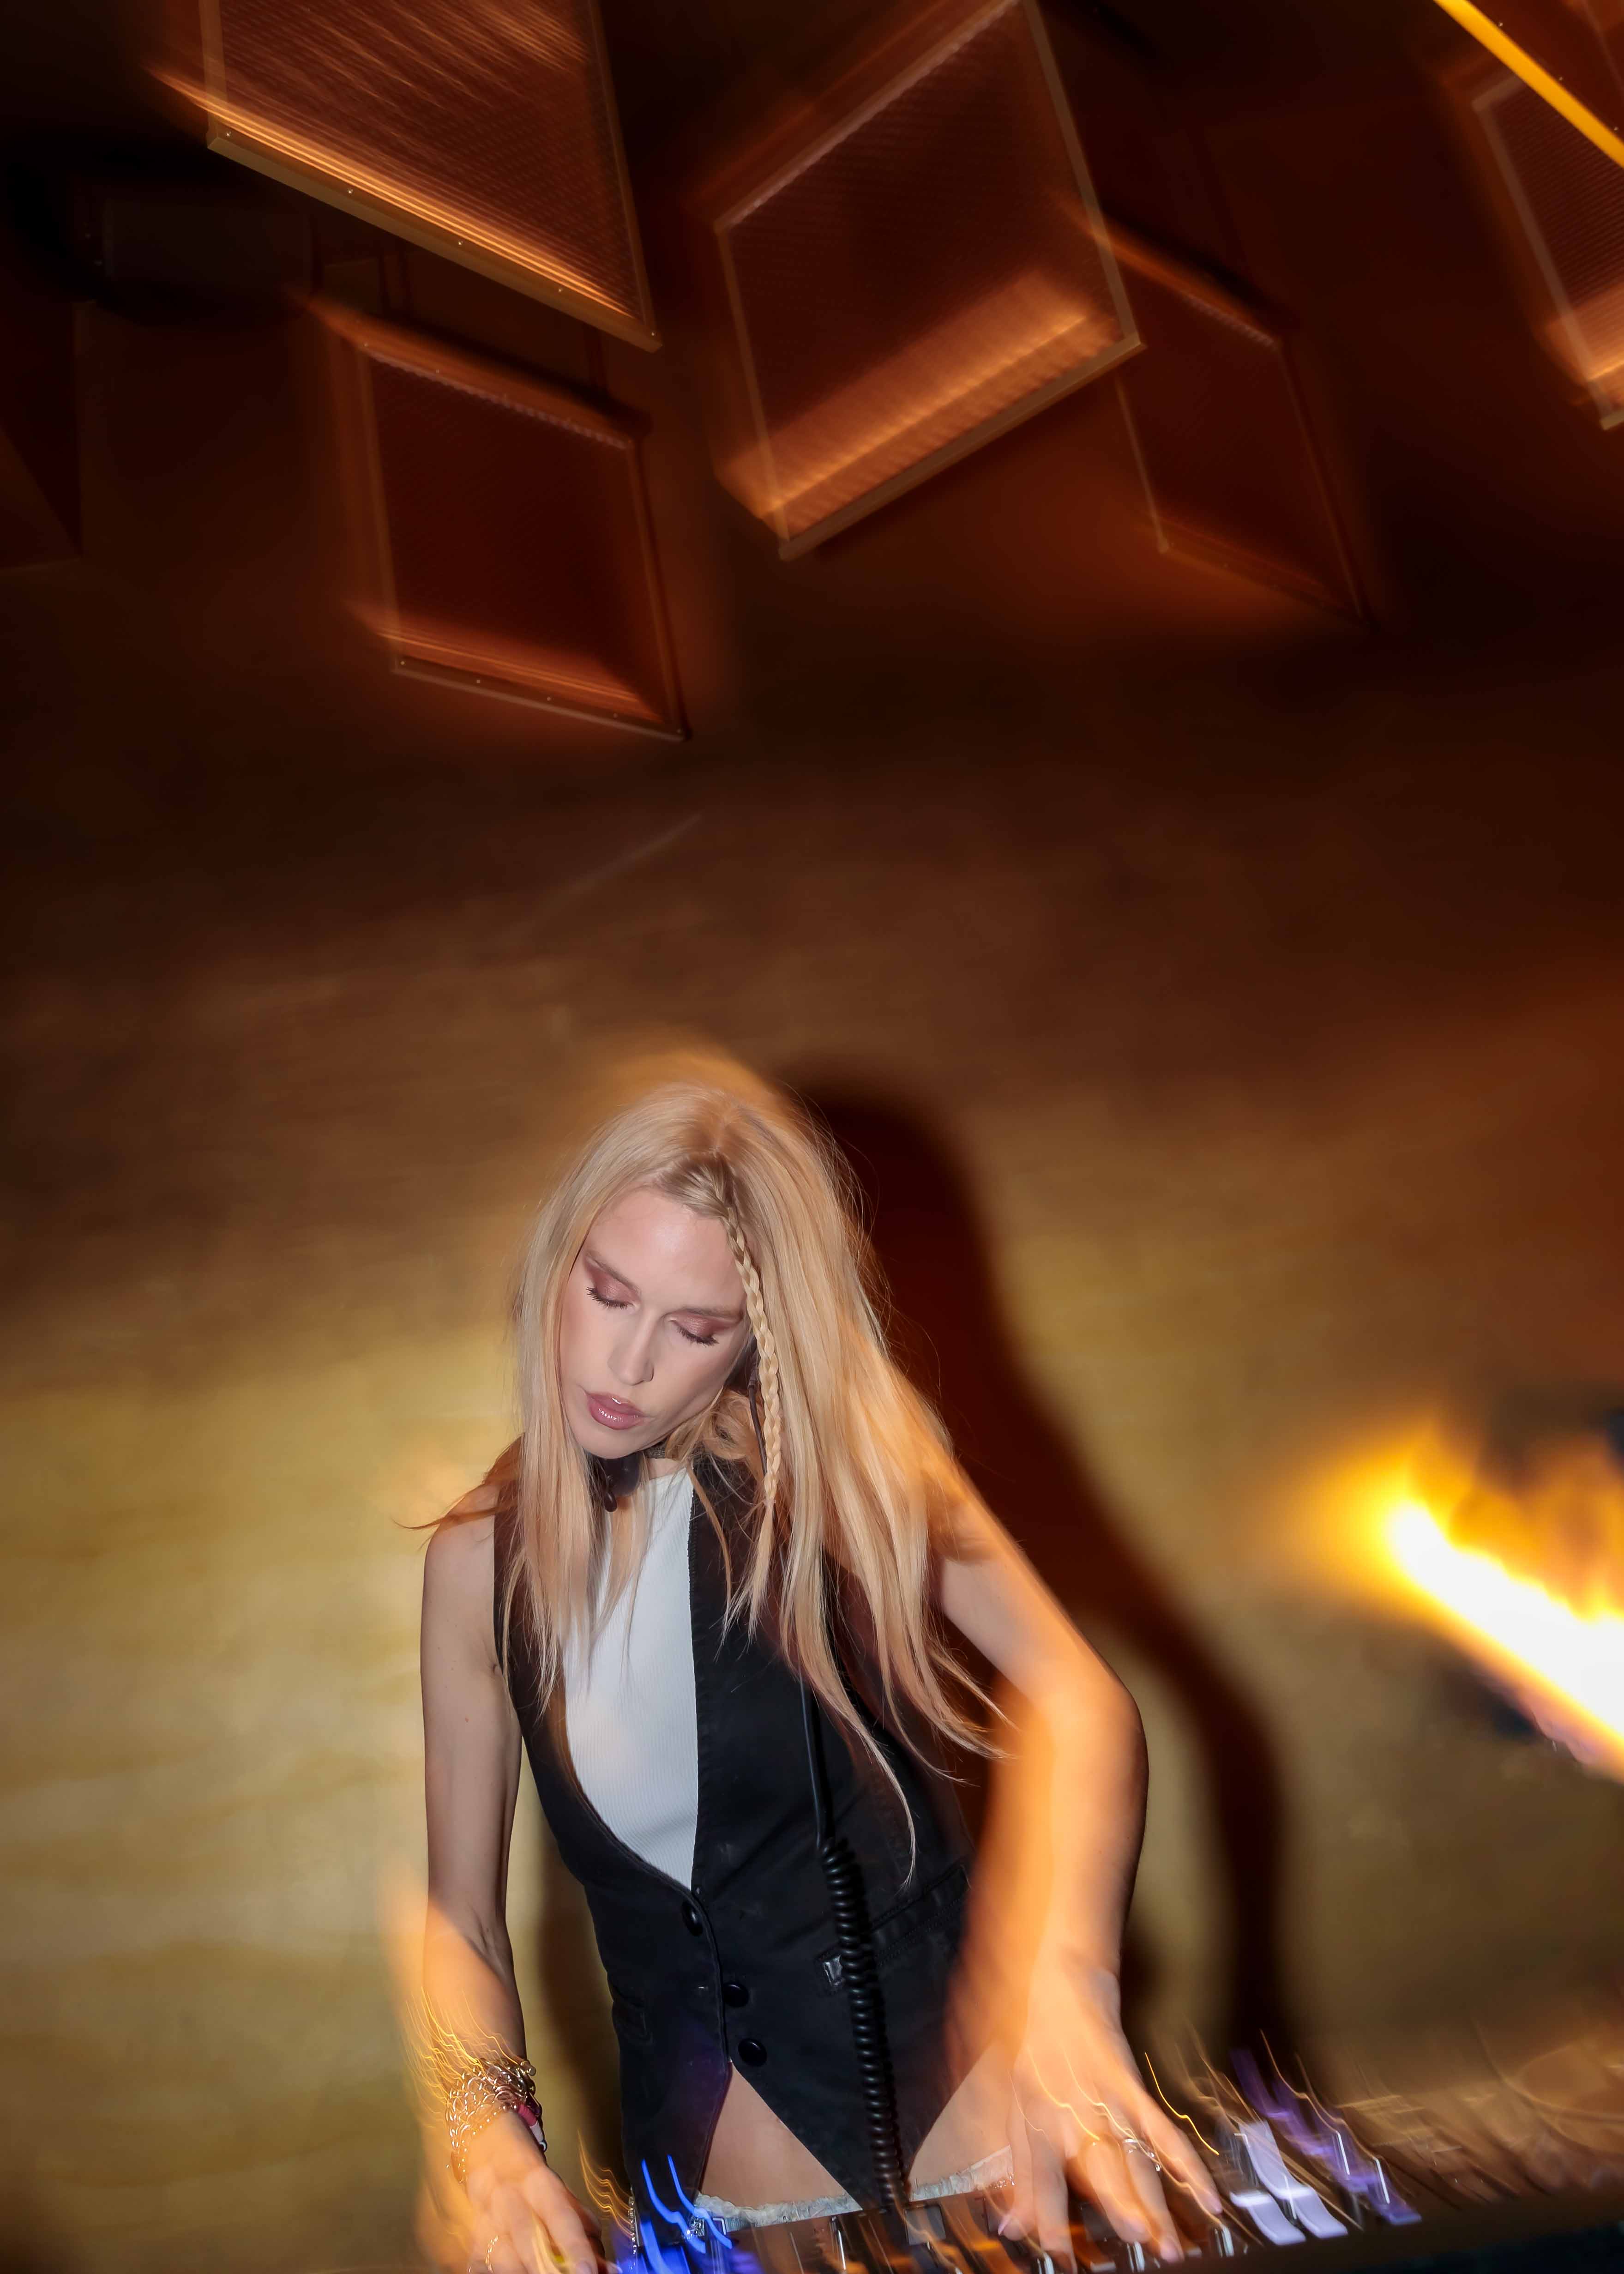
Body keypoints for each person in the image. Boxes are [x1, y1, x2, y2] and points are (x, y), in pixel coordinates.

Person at [420, 1051, 1221, 2274]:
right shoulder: (480, 1559)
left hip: (986, 2166)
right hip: (712, 2211)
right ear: (556, 1264)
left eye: (694, 1329)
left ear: (756, 1337)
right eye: (608, 1293)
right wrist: (484, 2133)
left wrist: (1066, 1974)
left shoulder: (842, 1471)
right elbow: (463, 1920)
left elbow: (1077, 1694)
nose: (627, 1367)